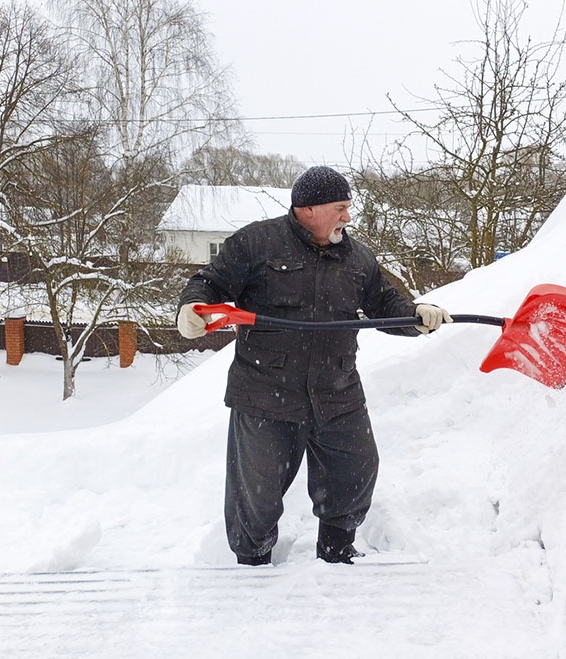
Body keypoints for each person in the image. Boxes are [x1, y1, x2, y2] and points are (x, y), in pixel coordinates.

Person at [176, 165, 452, 565]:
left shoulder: (356, 258)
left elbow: (384, 304)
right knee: (256, 492)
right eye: (340, 207)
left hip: (336, 390)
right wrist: (192, 308)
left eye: (348, 207)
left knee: (356, 468)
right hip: (265, 393)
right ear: (308, 209)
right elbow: (209, 281)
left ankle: (337, 551)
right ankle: (251, 564)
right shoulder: (257, 243)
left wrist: (416, 316)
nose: (348, 216)